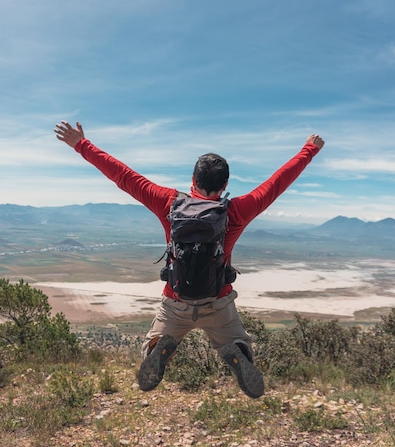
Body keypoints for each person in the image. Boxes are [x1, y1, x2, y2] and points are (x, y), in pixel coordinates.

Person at [55, 121, 325, 399]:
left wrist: (81, 144)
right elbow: (277, 183)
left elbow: (124, 176)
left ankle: (158, 346)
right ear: (225, 185)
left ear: (193, 181)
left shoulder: (168, 203)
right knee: (237, 342)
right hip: (217, 300)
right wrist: (309, 149)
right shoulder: (237, 211)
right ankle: (237, 350)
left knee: (151, 344)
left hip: (176, 301)